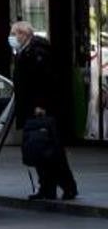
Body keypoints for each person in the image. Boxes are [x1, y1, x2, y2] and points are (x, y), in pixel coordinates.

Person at [10, 21, 78, 200]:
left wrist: (41, 105)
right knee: (38, 149)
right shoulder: (24, 51)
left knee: (50, 150)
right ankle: (46, 188)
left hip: (40, 109)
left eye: (14, 33)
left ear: (24, 34)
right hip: (30, 107)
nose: (12, 37)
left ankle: (67, 186)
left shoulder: (38, 52)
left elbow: (44, 81)